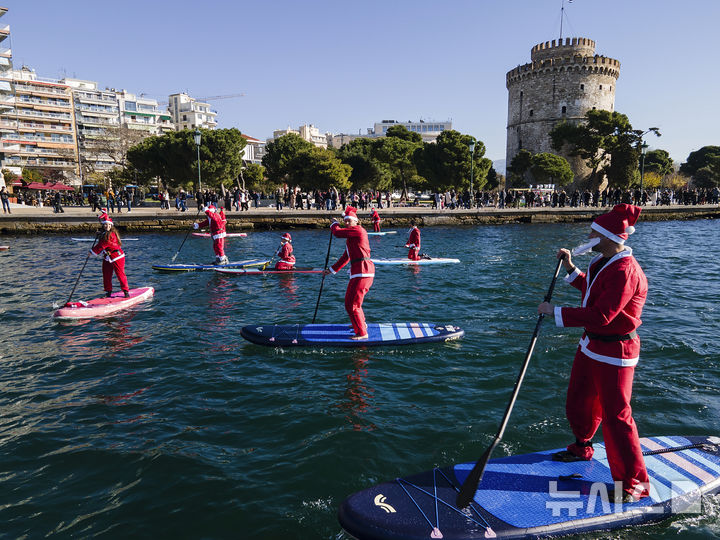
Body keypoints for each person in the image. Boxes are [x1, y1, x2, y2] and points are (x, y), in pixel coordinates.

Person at [537, 204, 649, 503]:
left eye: (593, 232)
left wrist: (555, 312)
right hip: (591, 346)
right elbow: (592, 289)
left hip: (616, 352)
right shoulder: (605, 260)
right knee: (580, 399)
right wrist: (572, 268)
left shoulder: (625, 270)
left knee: (617, 418)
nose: (588, 235)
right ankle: (581, 447)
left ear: (607, 236)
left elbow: (602, 315)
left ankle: (633, 485)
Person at [325, 206, 375, 340]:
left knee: (352, 304)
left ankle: (362, 333)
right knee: (351, 303)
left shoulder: (358, 230)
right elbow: (346, 257)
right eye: (345, 221)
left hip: (363, 271)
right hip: (359, 272)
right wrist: (331, 270)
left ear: (356, 221)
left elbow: (336, 233)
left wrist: (334, 223)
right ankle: (358, 325)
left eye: (349, 221)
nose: (346, 223)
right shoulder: (351, 238)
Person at [91, 209, 130, 298]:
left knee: (120, 275)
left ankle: (126, 292)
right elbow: (103, 238)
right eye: (105, 224)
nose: (107, 226)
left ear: (111, 225)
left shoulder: (111, 234)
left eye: (108, 224)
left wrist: (92, 252)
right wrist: (99, 234)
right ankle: (108, 292)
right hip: (107, 257)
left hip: (117, 257)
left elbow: (103, 244)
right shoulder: (105, 233)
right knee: (106, 274)